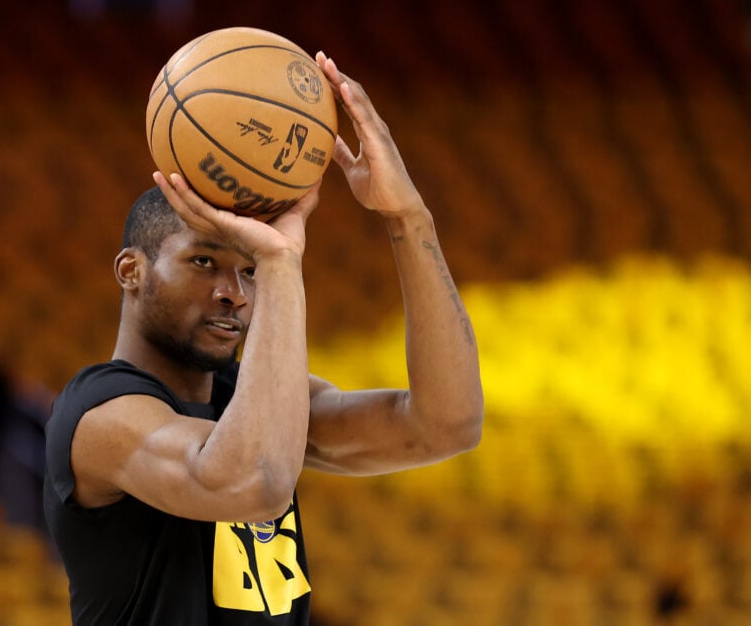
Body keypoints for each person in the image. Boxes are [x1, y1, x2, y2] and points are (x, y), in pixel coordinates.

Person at [43, 51, 483, 625]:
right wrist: (277, 262)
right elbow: (254, 482)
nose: (236, 292)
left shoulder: (255, 402)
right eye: (205, 261)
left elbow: (446, 425)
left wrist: (408, 218)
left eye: (247, 269)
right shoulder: (100, 417)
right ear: (132, 271)